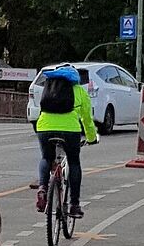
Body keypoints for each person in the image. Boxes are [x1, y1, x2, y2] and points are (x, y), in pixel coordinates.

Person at [34, 64, 98, 218]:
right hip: (70, 131)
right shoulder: (80, 91)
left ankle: (43, 188)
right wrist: (91, 138)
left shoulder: (49, 89)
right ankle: (74, 205)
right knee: (74, 162)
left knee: (46, 158)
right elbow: (87, 119)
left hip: (44, 128)